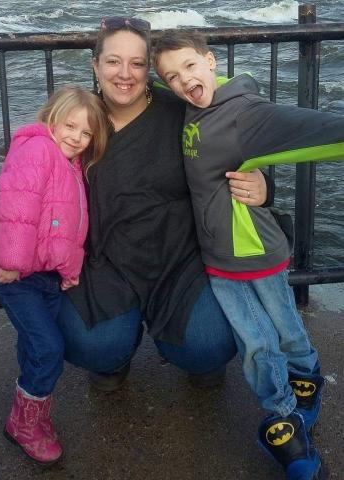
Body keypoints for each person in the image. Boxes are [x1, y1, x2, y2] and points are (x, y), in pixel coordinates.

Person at [153, 29, 344, 480]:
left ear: (211, 60)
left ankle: (307, 377)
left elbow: (312, 126)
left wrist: (264, 186)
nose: (184, 81)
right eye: (173, 76)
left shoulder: (244, 114)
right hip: (218, 261)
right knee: (255, 342)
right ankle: (283, 413)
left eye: (191, 67)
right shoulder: (184, 104)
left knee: (285, 328)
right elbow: (158, 81)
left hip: (260, 253)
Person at [56, 18, 268, 419]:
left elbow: (241, 153)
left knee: (209, 344)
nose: (124, 74)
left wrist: (261, 185)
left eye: (136, 64)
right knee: (90, 345)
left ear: (148, 69)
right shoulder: (77, 122)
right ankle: (113, 356)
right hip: (104, 261)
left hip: (180, 257)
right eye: (114, 61)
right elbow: (32, 175)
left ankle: (196, 355)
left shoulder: (183, 111)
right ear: (95, 64)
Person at [0, 85, 111, 464]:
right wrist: (13, 260)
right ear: (50, 117)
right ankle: (24, 423)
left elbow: (68, 228)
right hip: (17, 277)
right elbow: (16, 205)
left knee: (35, 346)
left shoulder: (70, 163)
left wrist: (68, 271)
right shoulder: (37, 151)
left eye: (86, 134)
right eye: (71, 126)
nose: (77, 138)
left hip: (45, 277)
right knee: (49, 348)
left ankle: (31, 413)